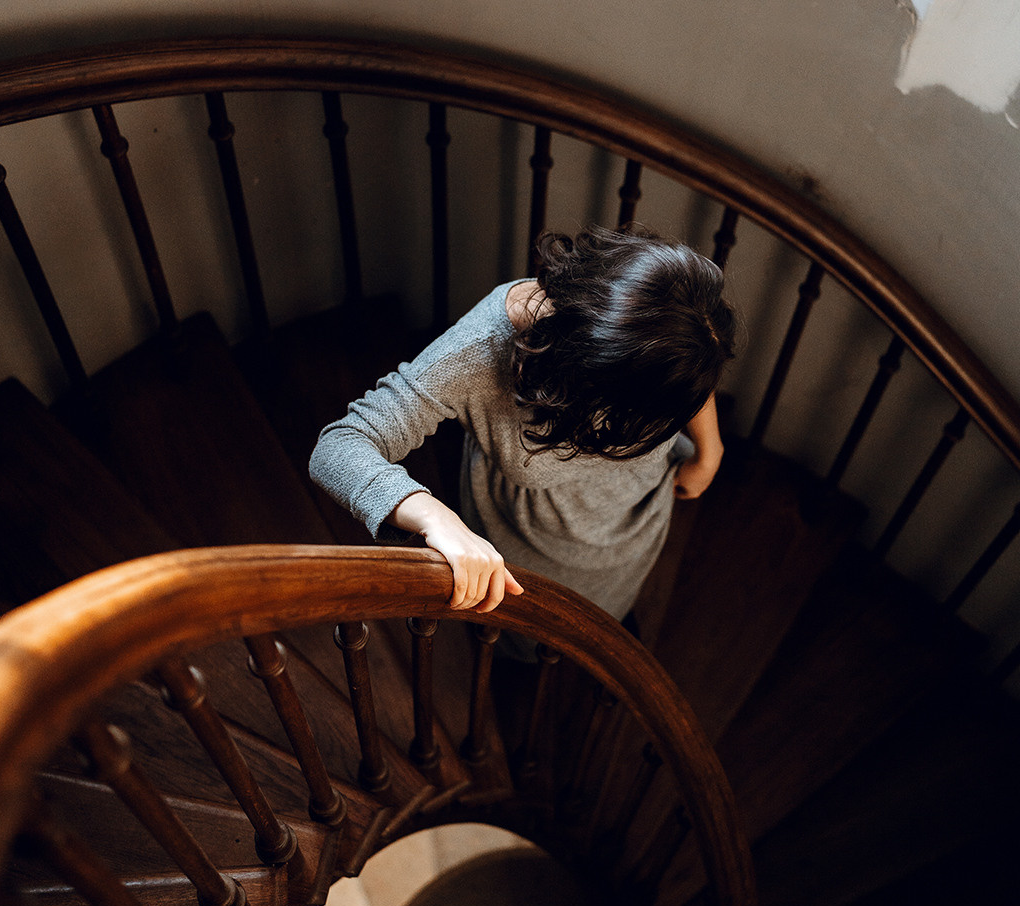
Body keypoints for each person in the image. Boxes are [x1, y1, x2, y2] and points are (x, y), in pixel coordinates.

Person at [309, 226, 737, 624]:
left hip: (639, 519)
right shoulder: (477, 354)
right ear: (582, 371)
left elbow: (686, 371)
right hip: (526, 543)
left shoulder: (664, 318)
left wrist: (710, 448)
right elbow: (339, 447)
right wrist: (438, 520)